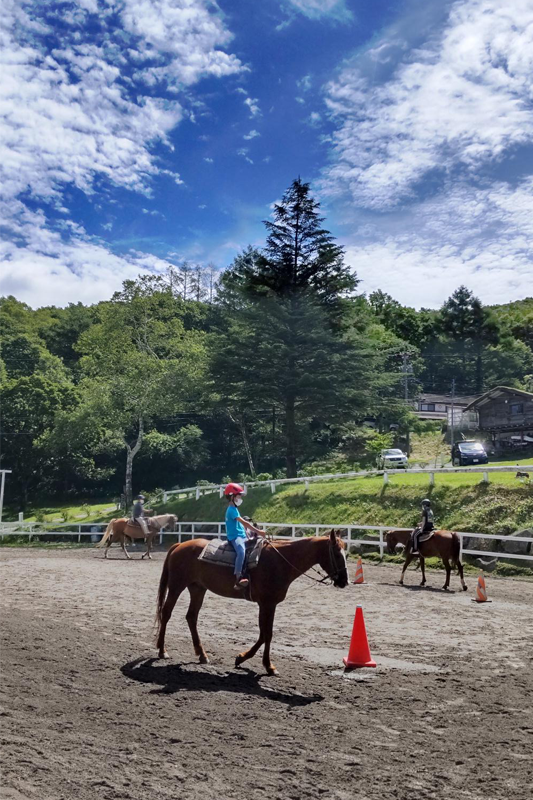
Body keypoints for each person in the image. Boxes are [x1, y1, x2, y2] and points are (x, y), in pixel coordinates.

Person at [224, 483, 265, 590]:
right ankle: (238, 577)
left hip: (241, 535)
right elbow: (245, 523)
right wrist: (258, 531)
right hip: (235, 537)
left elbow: (242, 525)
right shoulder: (231, 510)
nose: (240, 498)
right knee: (241, 551)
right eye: (239, 496)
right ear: (232, 496)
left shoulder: (235, 508)